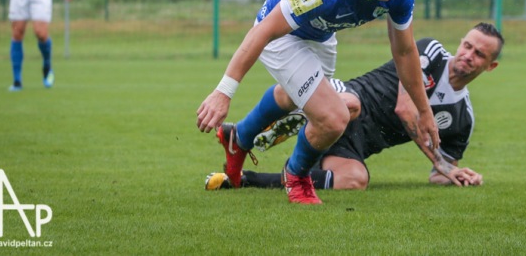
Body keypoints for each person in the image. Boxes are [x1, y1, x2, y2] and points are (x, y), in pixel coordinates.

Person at [196, 0, 440, 204]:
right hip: (281, 36)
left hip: (320, 36)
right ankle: (296, 177)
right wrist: (224, 92)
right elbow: (262, 32)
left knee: (296, 98)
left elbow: (405, 51)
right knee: (334, 117)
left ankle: (239, 136)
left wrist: (424, 110)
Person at [204, 23, 503, 191]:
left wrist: (456, 172)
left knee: (354, 181)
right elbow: (404, 107)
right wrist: (439, 160)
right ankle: (247, 130)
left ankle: (246, 181)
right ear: (460, 41)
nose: (468, 55)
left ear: (490, 66)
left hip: (356, 144)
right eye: (467, 46)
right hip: (349, 96)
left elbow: (440, 173)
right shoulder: (431, 52)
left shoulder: (463, 119)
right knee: (344, 104)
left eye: (479, 54)